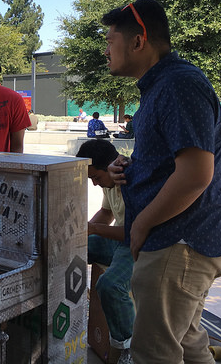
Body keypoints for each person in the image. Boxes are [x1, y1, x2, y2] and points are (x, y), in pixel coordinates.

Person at [104, 0, 221, 364]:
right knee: (190, 343)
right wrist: (130, 168)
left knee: (154, 353)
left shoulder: (178, 85)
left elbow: (196, 174)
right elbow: (173, 161)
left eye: (110, 40)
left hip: (180, 243)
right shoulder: (161, 86)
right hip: (183, 241)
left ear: (138, 41)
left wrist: (140, 225)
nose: (105, 51)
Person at [76, 140, 134, 364]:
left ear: (109, 166)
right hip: (120, 242)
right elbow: (106, 213)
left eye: (96, 178)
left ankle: (127, 348)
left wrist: (93, 229)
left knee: (109, 285)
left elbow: (134, 232)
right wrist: (78, 235)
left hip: (139, 246)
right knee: (69, 251)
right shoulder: (109, 182)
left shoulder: (129, 180)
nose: (94, 184)